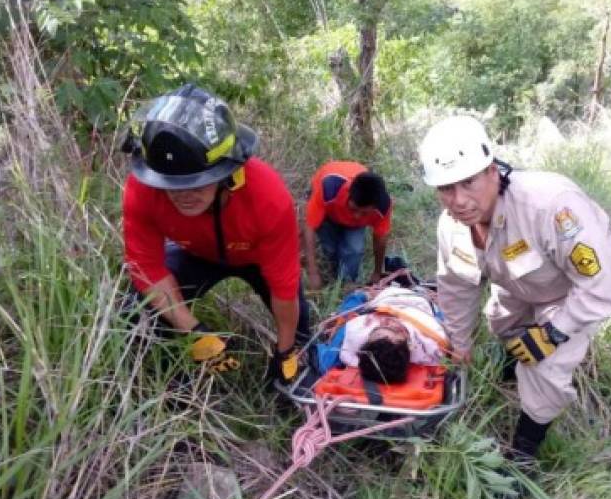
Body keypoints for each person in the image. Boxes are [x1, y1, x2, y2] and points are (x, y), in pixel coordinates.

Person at [418, 115, 611, 470]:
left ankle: (523, 456)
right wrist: (459, 343)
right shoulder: (452, 227)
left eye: (468, 182)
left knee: (542, 363)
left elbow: (601, 282)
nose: (458, 200)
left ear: (492, 171)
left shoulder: (550, 206)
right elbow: (456, 286)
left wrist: (554, 331)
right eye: (445, 189)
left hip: (575, 289)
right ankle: (512, 362)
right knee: (499, 322)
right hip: (521, 282)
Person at [120, 84, 309, 383]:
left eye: (197, 183)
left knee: (299, 338)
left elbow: (284, 286)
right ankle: (175, 393)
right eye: (172, 185)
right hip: (194, 252)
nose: (183, 195)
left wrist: (286, 350)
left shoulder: (268, 197)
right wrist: (192, 330)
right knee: (136, 311)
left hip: (256, 258)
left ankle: (296, 382)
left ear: (227, 172)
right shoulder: (143, 189)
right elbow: (145, 265)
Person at [303, 161, 393, 289]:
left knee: (354, 249)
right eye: (354, 209)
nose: (356, 216)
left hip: (352, 221)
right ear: (349, 194)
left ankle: (347, 283)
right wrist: (313, 272)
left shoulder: (383, 206)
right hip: (329, 211)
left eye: (364, 213)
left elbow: (381, 238)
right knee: (330, 248)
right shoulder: (328, 188)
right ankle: (334, 272)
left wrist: (377, 272)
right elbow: (309, 228)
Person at [337, 286, 449, 383]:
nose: (387, 321)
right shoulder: (431, 345)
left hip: (384, 299)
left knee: (350, 306)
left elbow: (346, 356)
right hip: (416, 303)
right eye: (395, 329)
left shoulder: (357, 332)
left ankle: (362, 295)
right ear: (409, 344)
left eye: (377, 329)